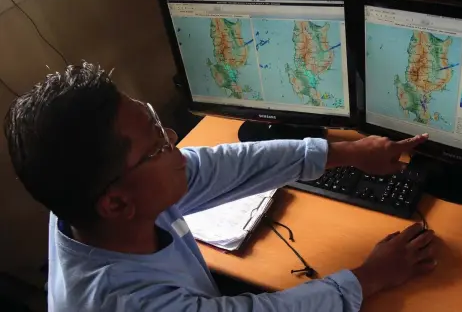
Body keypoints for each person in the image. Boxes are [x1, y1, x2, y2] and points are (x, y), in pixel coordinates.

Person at [4, 62, 437, 312]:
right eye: (156, 144)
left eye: (157, 122)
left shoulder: (86, 201)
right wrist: (370, 276)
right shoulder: (126, 303)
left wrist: (343, 153)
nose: (172, 137)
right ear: (116, 204)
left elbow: (217, 166)